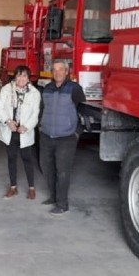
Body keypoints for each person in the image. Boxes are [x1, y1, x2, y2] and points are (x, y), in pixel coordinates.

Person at [39, 60, 86, 215]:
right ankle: (53, 197)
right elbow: (42, 110)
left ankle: (62, 204)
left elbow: (84, 113)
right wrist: (41, 126)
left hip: (66, 137)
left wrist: (77, 132)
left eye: (60, 70)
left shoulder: (75, 89)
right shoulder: (47, 89)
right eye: (54, 70)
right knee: (47, 168)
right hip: (46, 135)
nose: (57, 72)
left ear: (67, 72)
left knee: (63, 171)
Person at [0, 65, 41, 200]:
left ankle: (31, 188)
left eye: (24, 76)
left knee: (27, 159)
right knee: (11, 159)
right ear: (15, 76)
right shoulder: (6, 90)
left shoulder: (34, 93)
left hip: (24, 132)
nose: (21, 79)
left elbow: (35, 114)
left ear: (28, 78)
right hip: (10, 131)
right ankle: (13, 187)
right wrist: (8, 121)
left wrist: (26, 126)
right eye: (19, 75)